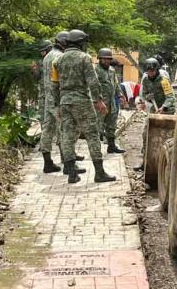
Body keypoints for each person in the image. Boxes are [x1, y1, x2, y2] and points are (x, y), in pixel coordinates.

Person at [52, 29, 116, 184]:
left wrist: (57, 105)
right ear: (80, 43)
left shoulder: (58, 61)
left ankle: (72, 173)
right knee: (92, 135)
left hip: (65, 102)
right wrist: (98, 100)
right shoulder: (84, 58)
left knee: (67, 136)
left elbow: (55, 85)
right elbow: (93, 82)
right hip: (82, 101)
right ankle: (99, 173)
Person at [39, 32, 85, 175]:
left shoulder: (47, 56)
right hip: (58, 98)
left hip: (48, 98)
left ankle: (48, 162)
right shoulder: (60, 56)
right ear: (64, 42)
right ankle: (68, 164)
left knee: (47, 129)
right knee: (65, 130)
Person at [95, 48, 126, 154]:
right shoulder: (95, 70)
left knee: (111, 125)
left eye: (108, 59)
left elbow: (115, 84)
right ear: (100, 59)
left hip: (112, 102)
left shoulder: (112, 70)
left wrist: (120, 95)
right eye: (104, 59)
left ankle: (111, 146)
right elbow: (92, 87)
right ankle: (96, 149)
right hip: (100, 103)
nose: (107, 61)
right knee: (98, 125)